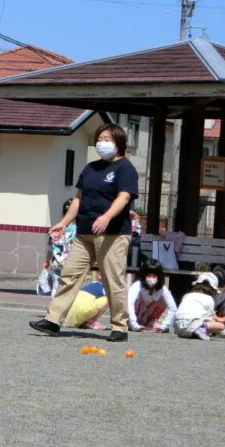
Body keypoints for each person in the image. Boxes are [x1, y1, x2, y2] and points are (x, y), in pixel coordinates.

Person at [30, 123, 139, 342]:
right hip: (84, 233)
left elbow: (124, 197)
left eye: (107, 139)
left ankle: (119, 327)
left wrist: (106, 217)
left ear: (118, 142)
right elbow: (78, 199)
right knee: (69, 276)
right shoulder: (90, 168)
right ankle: (53, 320)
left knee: (113, 280)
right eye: (100, 138)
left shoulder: (125, 168)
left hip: (113, 234)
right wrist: (64, 222)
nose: (102, 143)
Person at [173, 272, 225, 340]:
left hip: (177, 328)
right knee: (221, 326)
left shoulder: (187, 295)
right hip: (191, 326)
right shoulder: (209, 299)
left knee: (198, 321)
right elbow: (211, 318)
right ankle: (201, 329)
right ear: (213, 289)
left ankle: (197, 331)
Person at [128, 259, 177, 332]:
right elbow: (129, 304)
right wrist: (134, 324)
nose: (151, 279)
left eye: (154, 276)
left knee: (162, 301)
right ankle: (134, 323)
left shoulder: (162, 289)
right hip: (133, 317)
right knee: (136, 300)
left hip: (148, 317)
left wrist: (164, 326)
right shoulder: (137, 286)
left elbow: (173, 308)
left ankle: (150, 322)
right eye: (149, 275)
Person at [40, 198, 76, 297]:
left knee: (56, 286)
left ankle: (54, 303)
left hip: (57, 263)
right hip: (72, 263)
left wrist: (47, 261)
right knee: (69, 288)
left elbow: (50, 247)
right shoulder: (78, 230)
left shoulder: (56, 229)